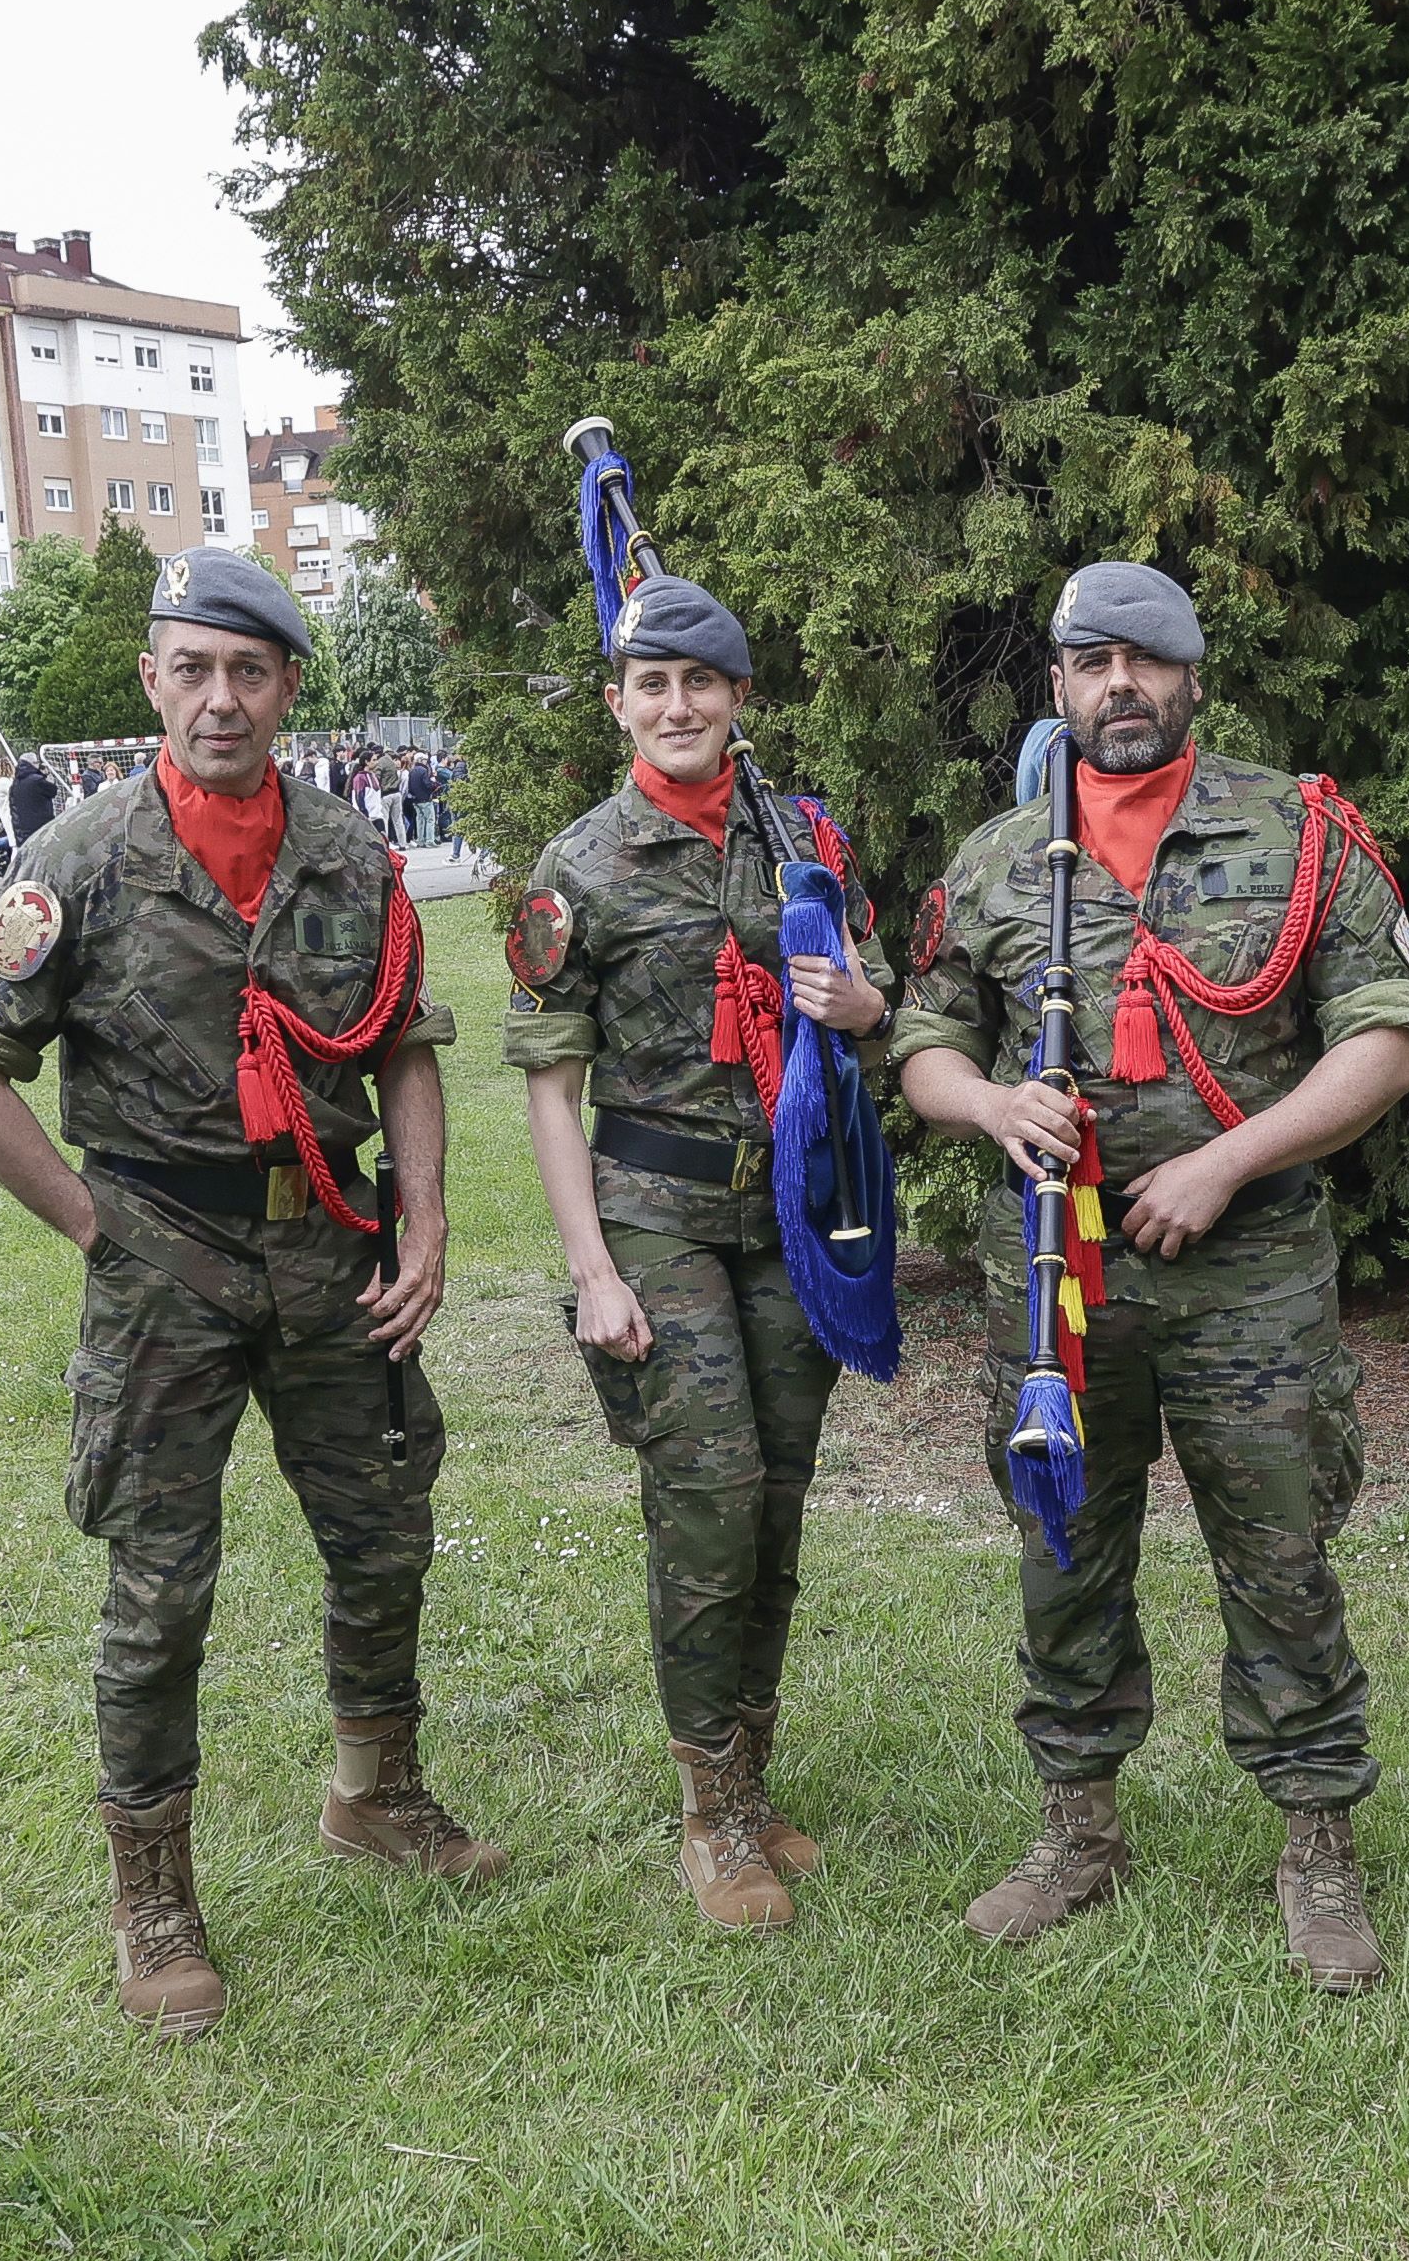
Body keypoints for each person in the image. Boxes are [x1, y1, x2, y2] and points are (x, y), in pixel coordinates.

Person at [0, 548, 496, 2047]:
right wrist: (94, 1229)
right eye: (194, 668)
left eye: (251, 670)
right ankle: (153, 1893)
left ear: (291, 686)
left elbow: (406, 1050)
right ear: (152, 682)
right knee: (159, 1591)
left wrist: (424, 1218)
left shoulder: (351, 856)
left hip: (327, 1249)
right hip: (163, 1261)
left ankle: (375, 1793)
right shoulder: (80, 858)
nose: (222, 698)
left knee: (383, 1539)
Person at [893, 561, 1409, 1988]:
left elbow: (1387, 1036)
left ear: (1193, 679)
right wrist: (989, 1105)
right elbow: (923, 1037)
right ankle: (1078, 1831)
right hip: (1061, 1277)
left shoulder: (1300, 831)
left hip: (1250, 1272)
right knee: (1064, 1546)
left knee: (1279, 1555)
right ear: (1059, 688)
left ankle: (1316, 1843)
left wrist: (1227, 1162)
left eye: (1145, 660)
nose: (1118, 685)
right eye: (1090, 663)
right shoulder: (1002, 857)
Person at [503, 576, 898, 1930]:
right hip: (654, 1213)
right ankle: (708, 1814)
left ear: (738, 701)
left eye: (702, 684)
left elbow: (875, 992)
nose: (678, 706)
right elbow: (552, 1083)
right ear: (618, 703)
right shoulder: (580, 866)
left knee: (778, 1498)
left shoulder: (803, 838)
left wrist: (863, 999)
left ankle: (753, 1777)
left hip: (787, 1215)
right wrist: (591, 1268)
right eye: (651, 685)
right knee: (711, 1494)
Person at [8, 753, 63, 846]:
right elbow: (53, 791)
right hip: (40, 827)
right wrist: (47, 776)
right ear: (33, 763)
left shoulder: (15, 784)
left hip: (22, 830)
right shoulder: (37, 781)